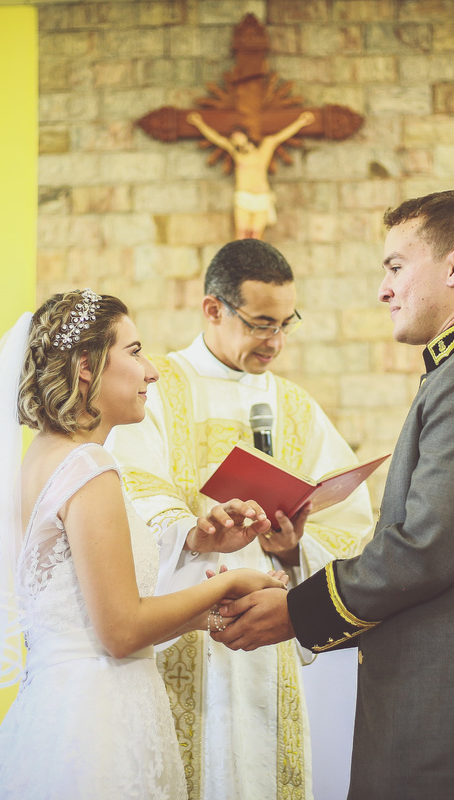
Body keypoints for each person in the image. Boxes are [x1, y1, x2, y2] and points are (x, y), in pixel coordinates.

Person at [211, 191, 454, 799]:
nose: (383, 288)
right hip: (442, 712)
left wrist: (296, 613)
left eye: (396, 266)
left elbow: (425, 550)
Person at [0, 290, 287, 799]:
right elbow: (120, 631)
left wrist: (203, 590)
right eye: (135, 351)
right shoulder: (89, 467)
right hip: (100, 717)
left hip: (60, 707)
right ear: (87, 366)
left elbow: (86, 615)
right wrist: (230, 582)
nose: (152, 371)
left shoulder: (43, 459)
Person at [108, 239, 376, 800]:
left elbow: (351, 525)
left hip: (266, 641)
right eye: (260, 324)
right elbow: (130, 490)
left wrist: (291, 547)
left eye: (285, 323)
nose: (275, 341)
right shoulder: (154, 389)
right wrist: (194, 531)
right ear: (214, 310)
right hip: (184, 635)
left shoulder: (297, 407)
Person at [185, 110, 315, 240]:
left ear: (245, 135)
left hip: (262, 196)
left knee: (256, 235)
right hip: (243, 196)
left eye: (238, 136)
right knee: (241, 234)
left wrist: (300, 122)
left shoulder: (265, 147)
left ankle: (255, 260)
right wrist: (199, 123)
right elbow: (215, 138)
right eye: (233, 138)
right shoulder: (237, 153)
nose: (236, 140)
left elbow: (282, 136)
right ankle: (238, 260)